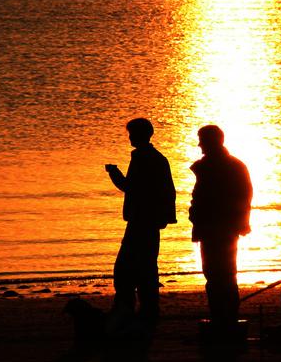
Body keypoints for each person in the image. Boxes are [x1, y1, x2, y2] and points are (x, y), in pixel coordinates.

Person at [105, 117, 177, 330]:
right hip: (149, 221)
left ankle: (129, 308)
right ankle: (147, 308)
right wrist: (164, 217)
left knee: (126, 268)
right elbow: (167, 191)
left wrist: (114, 173)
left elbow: (131, 187)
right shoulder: (156, 158)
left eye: (131, 133)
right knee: (146, 266)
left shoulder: (144, 158)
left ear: (139, 135)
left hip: (141, 220)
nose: (129, 137)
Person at [189, 125, 253, 327]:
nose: (199, 144)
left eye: (202, 140)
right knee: (219, 273)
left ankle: (223, 316)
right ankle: (224, 315)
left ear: (212, 141)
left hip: (217, 228)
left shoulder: (220, 166)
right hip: (220, 227)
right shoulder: (230, 165)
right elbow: (245, 196)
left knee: (219, 273)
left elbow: (242, 196)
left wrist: (238, 222)